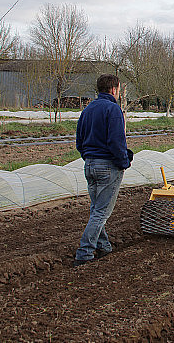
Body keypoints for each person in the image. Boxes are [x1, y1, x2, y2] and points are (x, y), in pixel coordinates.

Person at [73, 74, 133, 267]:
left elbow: (79, 140)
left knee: (96, 208)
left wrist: (88, 157)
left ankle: (104, 246)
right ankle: (85, 252)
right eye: (119, 89)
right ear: (114, 89)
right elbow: (116, 142)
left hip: (90, 164)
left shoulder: (88, 109)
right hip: (108, 166)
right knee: (101, 212)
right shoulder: (113, 109)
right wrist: (124, 162)